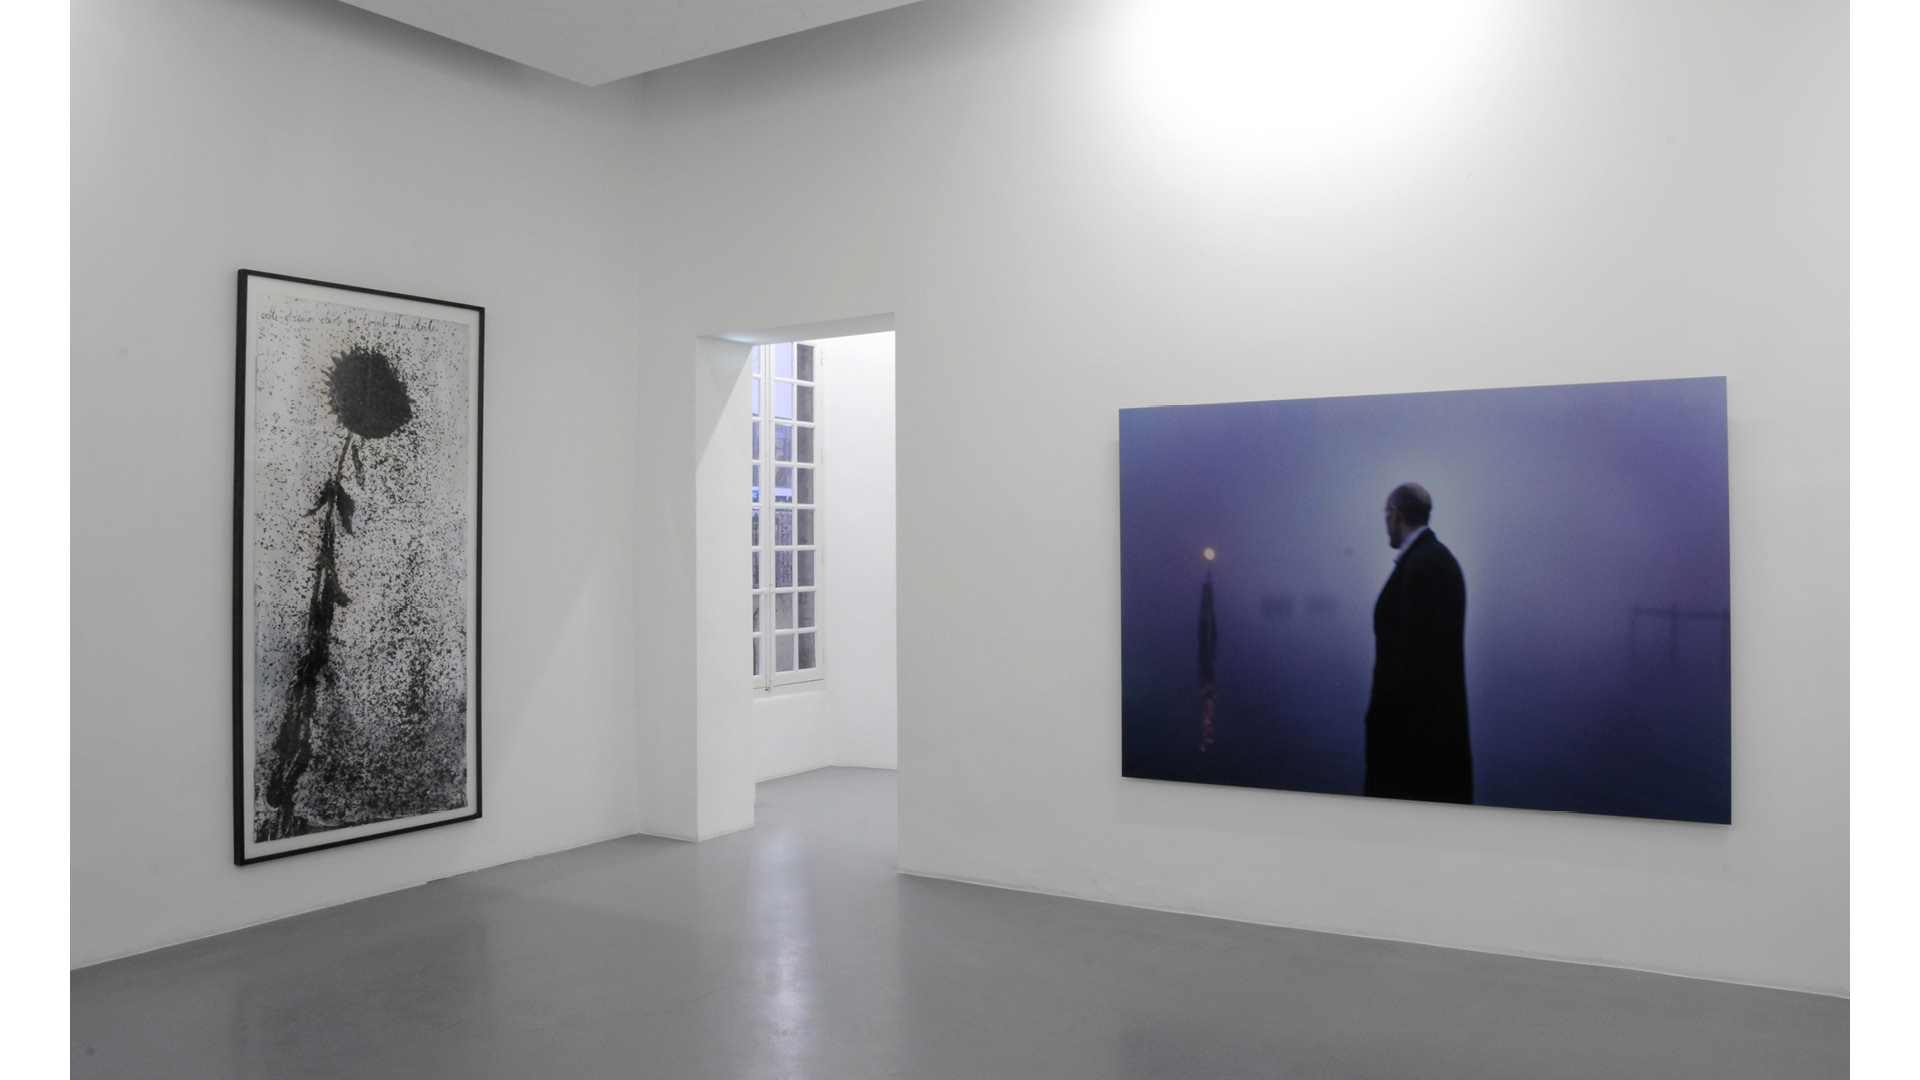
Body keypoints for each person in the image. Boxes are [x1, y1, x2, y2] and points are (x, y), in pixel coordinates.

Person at [1363, 482, 1473, 803]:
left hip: (1410, 758)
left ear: (1396, 514)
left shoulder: (1419, 567)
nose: (1385, 522)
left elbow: (1410, 666)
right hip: (1441, 746)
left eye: (1386, 514)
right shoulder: (1445, 562)